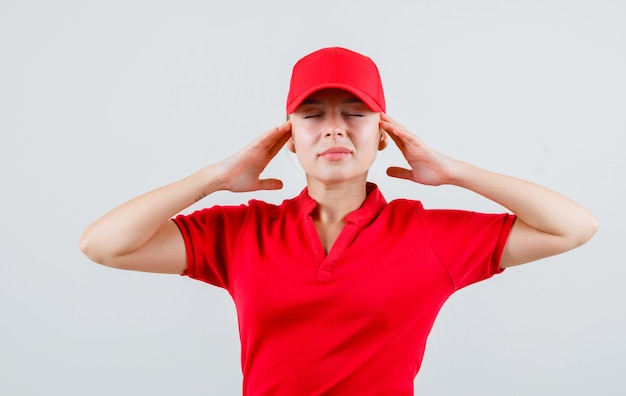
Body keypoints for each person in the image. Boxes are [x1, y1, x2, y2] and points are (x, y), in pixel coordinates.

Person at [79, 47, 599, 395]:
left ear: (382, 132)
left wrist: (455, 172)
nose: (335, 130)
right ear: (289, 137)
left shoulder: (427, 234)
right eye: (313, 115)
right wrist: (213, 177)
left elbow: (573, 227)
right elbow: (104, 245)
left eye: (354, 113)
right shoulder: (241, 232)